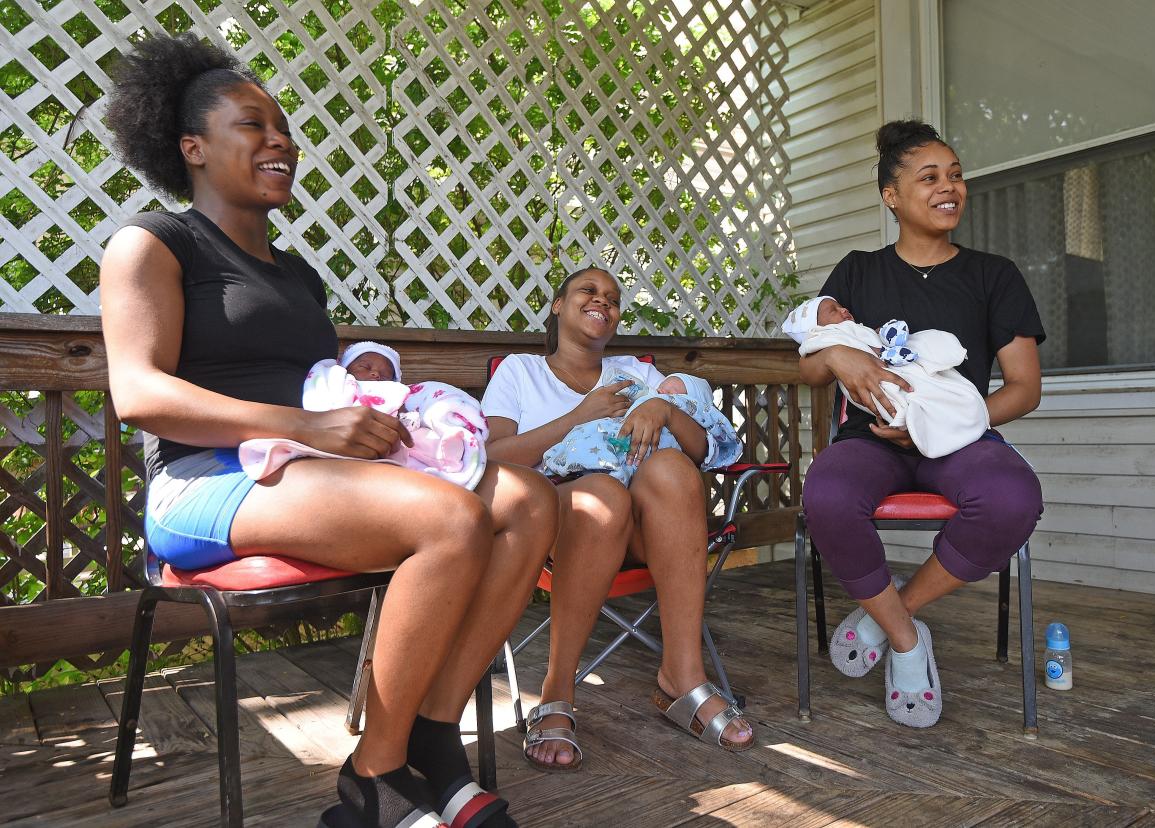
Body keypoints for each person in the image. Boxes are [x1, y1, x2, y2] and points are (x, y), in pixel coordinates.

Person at [99, 33, 556, 828]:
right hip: (201, 482)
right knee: (449, 519)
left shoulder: (297, 275)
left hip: (302, 469)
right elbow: (139, 394)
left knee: (526, 497)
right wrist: (309, 424)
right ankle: (374, 780)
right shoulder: (153, 242)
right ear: (193, 147)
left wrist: (373, 409)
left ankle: (433, 739)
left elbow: (324, 386)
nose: (280, 140)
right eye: (253, 125)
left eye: (282, 127)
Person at [799, 119, 1045, 729]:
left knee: (1013, 498)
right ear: (892, 196)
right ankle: (909, 645)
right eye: (929, 177)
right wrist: (834, 354)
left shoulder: (994, 274)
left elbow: (1025, 387)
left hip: (960, 441)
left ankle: (893, 615)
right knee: (827, 494)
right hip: (871, 440)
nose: (950, 187)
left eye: (956, 176)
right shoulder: (857, 270)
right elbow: (810, 366)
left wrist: (946, 426)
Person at [482, 266, 754, 771]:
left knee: (671, 465)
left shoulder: (639, 374)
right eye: (588, 291)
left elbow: (702, 451)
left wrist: (666, 413)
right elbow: (495, 457)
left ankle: (683, 675)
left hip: (653, 530)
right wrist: (577, 418)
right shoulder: (520, 372)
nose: (602, 302)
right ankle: (557, 689)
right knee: (603, 493)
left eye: (612, 298)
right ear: (558, 305)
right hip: (568, 525)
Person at [238, 343, 489, 490]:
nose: (375, 376)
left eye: (385, 374)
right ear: (345, 369)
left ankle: (446, 452)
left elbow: (413, 405)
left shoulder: (399, 393)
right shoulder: (339, 382)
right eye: (366, 367)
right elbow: (325, 404)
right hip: (340, 440)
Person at [782, 296, 990, 458]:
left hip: (898, 364)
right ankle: (918, 418)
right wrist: (836, 354)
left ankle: (957, 413)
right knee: (907, 394)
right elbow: (811, 358)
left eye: (841, 306)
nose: (843, 310)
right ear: (815, 327)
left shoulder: (855, 328)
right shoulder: (824, 336)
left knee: (943, 382)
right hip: (876, 387)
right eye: (833, 310)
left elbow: (871, 340)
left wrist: (881, 335)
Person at [540, 370, 742, 486]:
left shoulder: (685, 407)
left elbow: (702, 449)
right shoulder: (520, 368)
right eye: (663, 386)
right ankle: (566, 463)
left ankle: (598, 470)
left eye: (671, 391)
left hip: (642, 473)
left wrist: (667, 408)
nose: (661, 390)